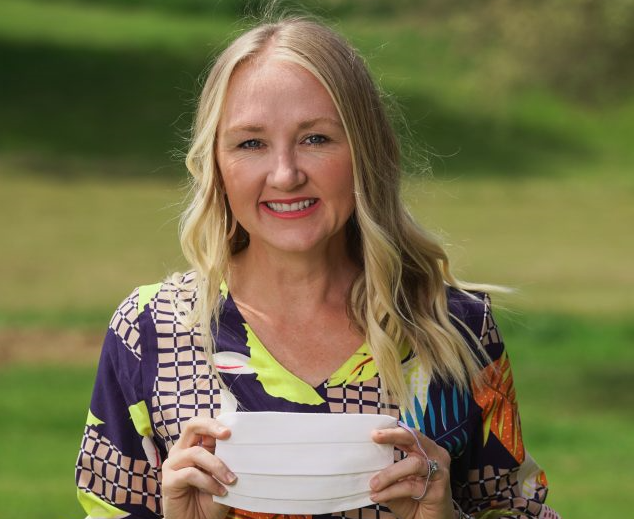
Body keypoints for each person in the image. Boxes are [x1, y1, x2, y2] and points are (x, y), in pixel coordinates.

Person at [75, 16, 560, 519]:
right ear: (216, 163)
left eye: (316, 139)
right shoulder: (151, 330)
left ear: (365, 151)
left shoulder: (454, 328)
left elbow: (519, 508)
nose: (285, 175)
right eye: (250, 143)